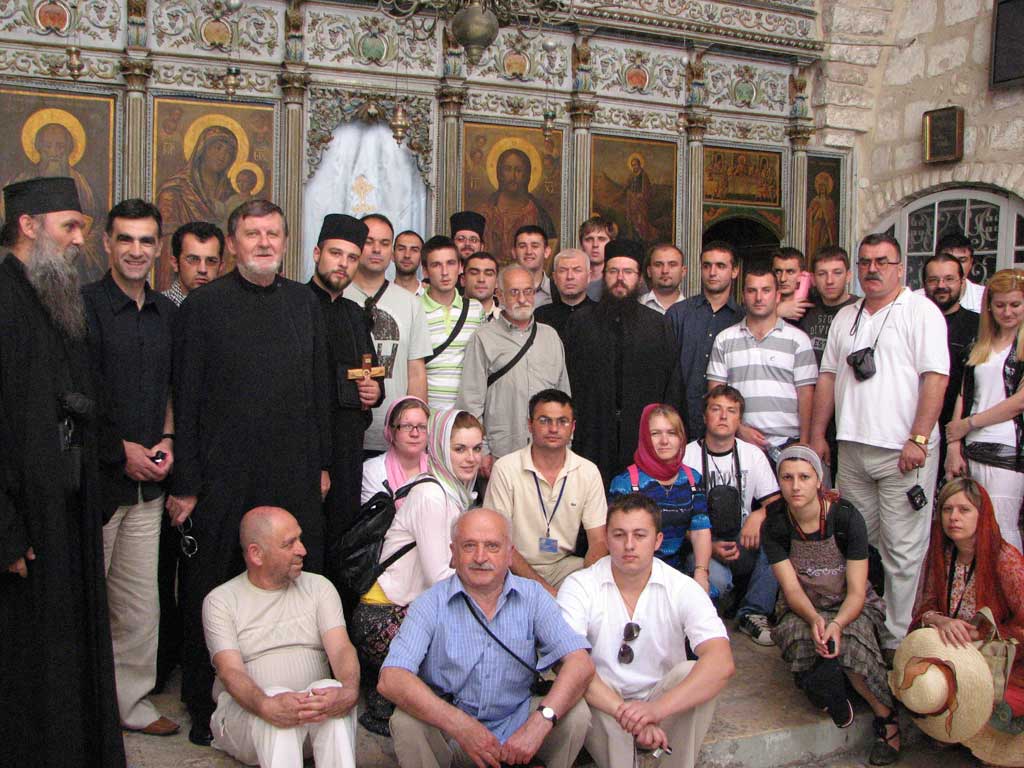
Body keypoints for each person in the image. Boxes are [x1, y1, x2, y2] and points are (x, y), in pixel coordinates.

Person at [168, 199, 333, 746]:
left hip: (292, 470)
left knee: (296, 578)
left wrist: (322, 464)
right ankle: (204, 703)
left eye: (273, 234)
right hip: (222, 476)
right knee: (211, 583)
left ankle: (298, 690)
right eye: (253, 234)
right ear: (234, 243)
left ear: (285, 241)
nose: (264, 243)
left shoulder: (304, 304)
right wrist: (186, 483)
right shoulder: (203, 307)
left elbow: (319, 390)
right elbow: (186, 399)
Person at [0, 176, 126, 767]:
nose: (80, 239)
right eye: (70, 226)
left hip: (66, 508)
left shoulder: (55, 298)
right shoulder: (4, 299)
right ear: (29, 225)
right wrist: (6, 529)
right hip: (24, 520)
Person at [810, 232, 949, 650]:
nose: (872, 269)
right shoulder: (846, 316)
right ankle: (864, 624)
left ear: (900, 268)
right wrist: (817, 435)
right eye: (866, 261)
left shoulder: (920, 312)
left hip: (902, 452)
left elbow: (935, 378)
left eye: (882, 261)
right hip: (853, 448)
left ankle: (896, 638)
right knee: (858, 544)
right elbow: (828, 377)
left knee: (902, 549)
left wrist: (919, 438)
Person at [379, 507, 595, 768]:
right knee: (406, 722)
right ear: (453, 553)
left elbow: (580, 663)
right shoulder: (429, 603)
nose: (480, 557)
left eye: (492, 546)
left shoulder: (533, 596)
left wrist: (539, 722)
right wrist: (459, 725)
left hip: (518, 726)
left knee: (576, 714)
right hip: (451, 734)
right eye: (469, 546)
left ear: (510, 554)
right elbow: (391, 678)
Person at [82, 198, 179, 736]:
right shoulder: (83, 308)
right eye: (125, 239)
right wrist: (121, 451)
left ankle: (131, 705)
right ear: (107, 243)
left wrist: (166, 439)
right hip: (98, 483)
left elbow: (172, 388)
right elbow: (76, 397)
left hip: (150, 490)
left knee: (140, 607)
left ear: (159, 248)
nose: (136, 250)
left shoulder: (169, 314)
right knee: (85, 602)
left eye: (146, 240)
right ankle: (84, 714)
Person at [557, 493, 734, 768]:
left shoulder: (681, 587)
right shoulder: (579, 585)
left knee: (693, 672)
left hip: (663, 703)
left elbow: (722, 662)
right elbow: (566, 661)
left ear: (658, 540)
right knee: (580, 673)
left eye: (640, 535)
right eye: (619, 535)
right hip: (605, 703)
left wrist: (654, 710)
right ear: (607, 539)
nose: (629, 545)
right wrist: (630, 715)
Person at [350, 409, 483, 736]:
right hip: (382, 616)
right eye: (459, 449)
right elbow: (440, 576)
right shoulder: (432, 495)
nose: (470, 458)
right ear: (438, 448)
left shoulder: (454, 492)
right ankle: (384, 700)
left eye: (477, 448)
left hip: (412, 608)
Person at [764, 446, 899, 766]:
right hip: (804, 605)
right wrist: (814, 619)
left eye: (804, 477)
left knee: (848, 645)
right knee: (802, 639)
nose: (796, 486)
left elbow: (857, 591)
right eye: (787, 478)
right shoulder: (775, 525)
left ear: (818, 481)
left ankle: (887, 719)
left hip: (849, 604)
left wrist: (836, 623)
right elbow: (791, 589)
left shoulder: (846, 518)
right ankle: (827, 690)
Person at [203, 507, 359, 768]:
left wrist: (349, 690)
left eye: (300, 539)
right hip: (248, 722)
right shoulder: (221, 601)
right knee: (276, 702)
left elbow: (342, 648)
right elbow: (230, 672)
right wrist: (266, 705)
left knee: (331, 692)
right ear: (256, 554)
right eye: (289, 544)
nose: (302, 550)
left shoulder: (320, 587)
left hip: (311, 721)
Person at [908, 477, 1024, 762]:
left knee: (1000, 706)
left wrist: (983, 635)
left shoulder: (1005, 560)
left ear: (982, 515)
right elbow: (924, 608)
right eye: (947, 509)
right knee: (923, 679)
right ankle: (956, 727)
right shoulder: (942, 555)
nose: (954, 517)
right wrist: (941, 621)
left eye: (964, 510)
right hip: (954, 652)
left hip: (1001, 661)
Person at [308, 214, 384, 598]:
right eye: (335, 254)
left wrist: (375, 392)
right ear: (317, 253)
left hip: (349, 448)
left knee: (342, 538)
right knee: (307, 539)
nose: (343, 264)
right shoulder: (296, 305)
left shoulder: (356, 314)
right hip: (307, 448)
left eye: (352, 258)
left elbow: (372, 370)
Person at [565, 239, 681, 485]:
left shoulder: (657, 325)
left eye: (628, 272)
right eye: (613, 271)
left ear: (639, 278)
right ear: (603, 275)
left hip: (640, 432)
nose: (620, 278)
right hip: (593, 431)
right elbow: (568, 380)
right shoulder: (580, 323)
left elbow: (672, 383)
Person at [683, 386, 781, 645]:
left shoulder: (753, 455)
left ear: (739, 420)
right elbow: (675, 516)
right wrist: (708, 545)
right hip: (701, 543)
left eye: (731, 411)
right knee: (717, 581)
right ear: (704, 416)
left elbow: (777, 504)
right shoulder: (686, 455)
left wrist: (759, 515)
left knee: (779, 533)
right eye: (716, 409)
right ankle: (711, 610)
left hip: (743, 539)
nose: (723, 416)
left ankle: (753, 612)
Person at [485, 389, 608, 595]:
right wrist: (549, 593)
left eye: (562, 422)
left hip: (563, 566)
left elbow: (599, 541)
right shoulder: (505, 469)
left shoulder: (588, 471)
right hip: (513, 566)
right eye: (544, 420)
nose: (553, 428)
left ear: (573, 427)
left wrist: (587, 588)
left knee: (608, 577)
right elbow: (499, 542)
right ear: (529, 424)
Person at [457, 264, 571, 467]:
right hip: (502, 453)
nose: (522, 299)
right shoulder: (483, 338)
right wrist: (482, 450)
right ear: (499, 295)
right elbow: (470, 401)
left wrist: (566, 443)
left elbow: (563, 397)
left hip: (549, 451)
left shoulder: (551, 336)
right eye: (514, 292)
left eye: (528, 291)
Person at [945, 269, 1024, 551]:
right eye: (1000, 305)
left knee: (1002, 528)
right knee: (969, 532)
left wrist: (969, 424)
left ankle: (1012, 581)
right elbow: (964, 394)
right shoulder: (978, 346)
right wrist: (954, 445)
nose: (1007, 312)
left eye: (1015, 304)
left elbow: (1019, 402)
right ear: (989, 306)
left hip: (1007, 448)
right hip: (971, 445)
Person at [343, 213, 432, 456]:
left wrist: (416, 426)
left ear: (391, 251)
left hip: (395, 432)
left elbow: (416, 371)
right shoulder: (338, 296)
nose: (376, 249)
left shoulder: (411, 303)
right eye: (369, 242)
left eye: (384, 243)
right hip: (345, 428)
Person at [706, 265, 818, 458]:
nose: (759, 298)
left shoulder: (799, 340)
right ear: (743, 296)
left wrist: (805, 443)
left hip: (787, 443)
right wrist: (739, 429)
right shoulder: (724, 339)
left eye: (766, 290)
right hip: (739, 442)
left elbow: (806, 395)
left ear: (777, 295)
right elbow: (716, 394)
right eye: (752, 291)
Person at [609, 404, 712, 591]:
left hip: (678, 569)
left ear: (681, 438)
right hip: (636, 570)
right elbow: (617, 537)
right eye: (655, 434)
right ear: (645, 438)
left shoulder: (692, 479)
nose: (664, 441)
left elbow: (700, 530)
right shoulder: (626, 483)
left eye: (671, 433)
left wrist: (701, 573)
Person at [667, 240, 744, 441]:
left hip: (726, 422)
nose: (712, 272)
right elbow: (665, 369)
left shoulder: (743, 319)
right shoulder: (678, 314)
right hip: (681, 418)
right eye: (707, 265)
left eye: (721, 266)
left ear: (735, 271)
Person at [797, 246, 859, 484]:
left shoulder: (860, 310)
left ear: (849, 275)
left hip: (847, 410)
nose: (830, 280)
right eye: (822, 274)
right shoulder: (803, 309)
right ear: (813, 278)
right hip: (809, 408)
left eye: (837, 273)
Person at [156, 124, 239, 289]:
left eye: (229, 152)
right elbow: (167, 247)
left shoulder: (233, 197)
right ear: (202, 150)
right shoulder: (175, 191)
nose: (223, 156)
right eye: (217, 148)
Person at [921, 252, 979, 473]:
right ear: (924, 283)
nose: (941, 286)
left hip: (962, 431)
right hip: (914, 430)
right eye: (933, 280)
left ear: (962, 282)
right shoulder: (911, 321)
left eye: (949, 279)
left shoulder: (978, 326)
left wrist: (957, 440)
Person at [420, 236, 485, 409]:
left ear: (460, 267)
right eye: (436, 265)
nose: (444, 272)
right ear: (425, 271)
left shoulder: (475, 309)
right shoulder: (413, 309)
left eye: (450, 263)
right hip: (427, 413)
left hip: (466, 414)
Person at [477, 148, 556, 266]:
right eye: (507, 169)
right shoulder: (485, 212)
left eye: (518, 170)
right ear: (499, 174)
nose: (513, 176)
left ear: (527, 176)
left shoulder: (539, 215)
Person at [361, 396, 430, 503]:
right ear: (390, 431)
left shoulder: (440, 469)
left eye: (422, 427)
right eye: (406, 426)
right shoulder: (372, 471)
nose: (415, 433)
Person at [914, 231, 985, 313]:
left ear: (971, 263)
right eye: (948, 259)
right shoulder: (915, 300)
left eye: (962, 260)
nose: (956, 265)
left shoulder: (986, 298)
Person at [535, 247, 595, 340]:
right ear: (555, 277)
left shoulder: (601, 315)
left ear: (589, 276)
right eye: (563, 271)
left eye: (577, 270)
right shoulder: (540, 316)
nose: (569, 276)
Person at [162, 220, 224, 306]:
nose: (202, 269)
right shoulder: (157, 308)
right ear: (175, 263)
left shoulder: (229, 309)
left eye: (211, 261)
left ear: (220, 266)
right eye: (193, 259)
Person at [514, 224, 555, 307]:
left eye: (535, 246)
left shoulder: (558, 292)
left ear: (546, 252)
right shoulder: (502, 292)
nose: (529, 252)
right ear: (514, 252)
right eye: (522, 246)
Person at [640, 243, 686, 314]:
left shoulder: (693, 311)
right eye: (658, 265)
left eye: (672, 265)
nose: (665, 271)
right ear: (649, 271)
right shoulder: (636, 306)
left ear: (683, 272)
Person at [773, 247, 815, 324]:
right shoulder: (762, 302)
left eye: (790, 272)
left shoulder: (813, 305)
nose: (782, 279)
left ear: (802, 274)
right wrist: (776, 311)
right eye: (778, 272)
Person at [579, 216, 616, 301]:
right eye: (589, 239)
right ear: (581, 245)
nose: (595, 245)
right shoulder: (571, 280)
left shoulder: (621, 279)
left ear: (612, 244)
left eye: (601, 239)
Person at [461, 250, 500, 321]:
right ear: (463, 280)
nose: (481, 279)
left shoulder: (509, 319)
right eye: (474, 273)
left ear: (497, 282)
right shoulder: (444, 315)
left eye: (488, 274)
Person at [394, 229, 425, 296]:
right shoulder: (381, 295)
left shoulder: (431, 296)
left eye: (414, 250)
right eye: (401, 249)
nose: (407, 255)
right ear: (392, 255)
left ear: (422, 257)